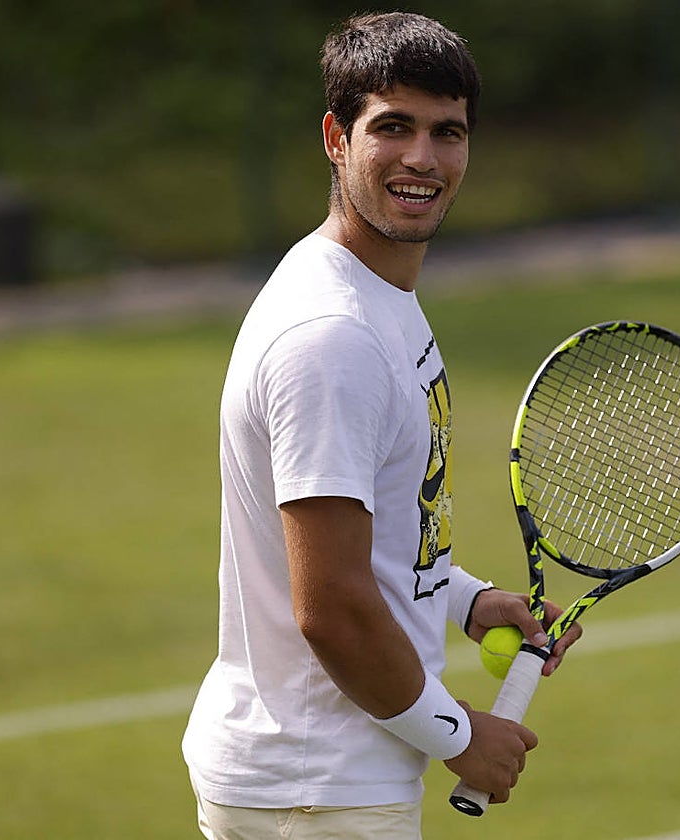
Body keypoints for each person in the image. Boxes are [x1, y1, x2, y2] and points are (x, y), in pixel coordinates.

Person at [182, 12, 580, 839]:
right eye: (392, 127)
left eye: (448, 132)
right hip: (315, 790)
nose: (423, 160)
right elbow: (330, 603)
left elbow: (375, 532)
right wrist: (462, 736)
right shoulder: (335, 337)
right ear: (336, 136)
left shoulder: (373, 294)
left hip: (324, 780)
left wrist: (466, 601)